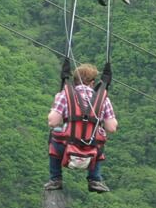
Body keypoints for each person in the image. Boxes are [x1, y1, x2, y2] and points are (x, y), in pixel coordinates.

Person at [45, 63, 118, 193]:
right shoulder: (103, 99)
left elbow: (52, 122)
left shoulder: (65, 95)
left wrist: (55, 105)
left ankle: (55, 178)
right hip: (92, 147)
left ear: (75, 81)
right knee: (100, 139)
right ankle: (95, 179)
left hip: (66, 144)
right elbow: (111, 127)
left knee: (54, 134)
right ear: (92, 82)